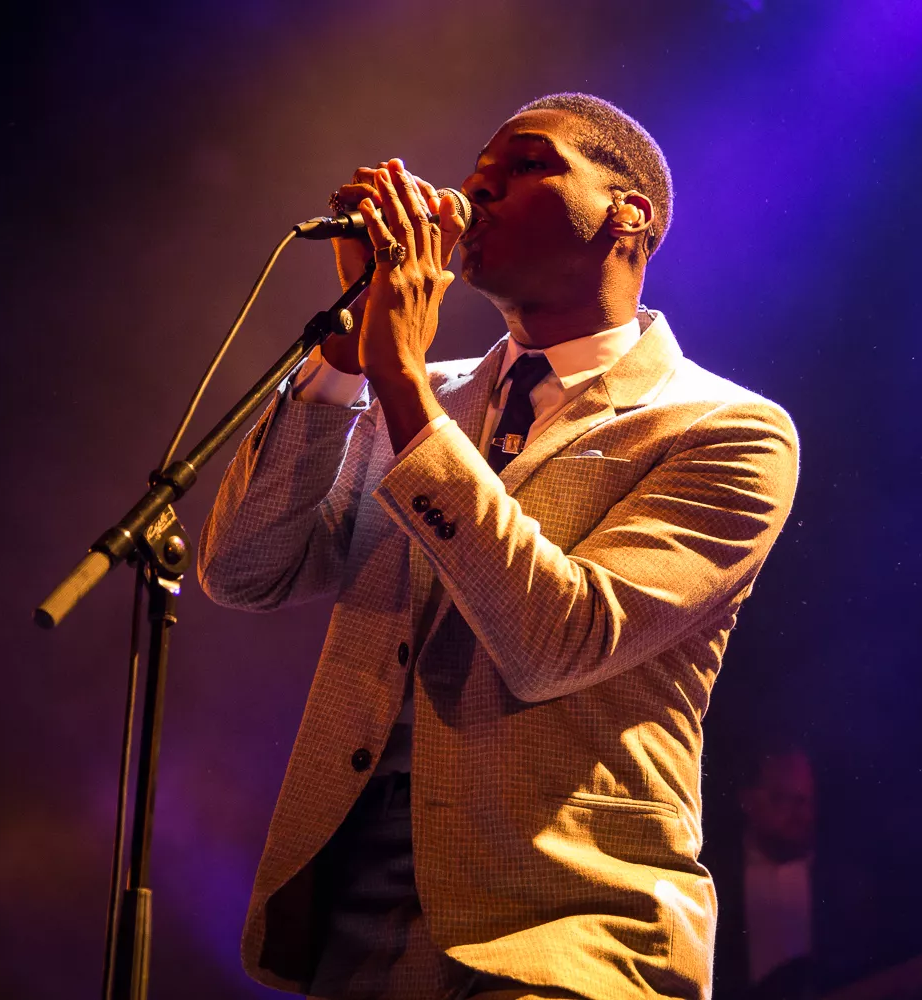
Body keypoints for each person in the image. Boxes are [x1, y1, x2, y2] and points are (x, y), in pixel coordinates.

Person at [198, 91, 800, 999]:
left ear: (626, 214)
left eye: (525, 165)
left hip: (569, 917)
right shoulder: (415, 398)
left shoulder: (726, 429)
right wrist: (350, 359)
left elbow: (559, 640)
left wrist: (399, 379)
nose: (475, 188)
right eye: (476, 172)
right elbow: (243, 572)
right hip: (353, 904)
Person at [707, 748, 819, 1000]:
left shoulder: (840, 880)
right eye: (780, 798)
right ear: (747, 801)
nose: (798, 813)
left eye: (805, 799)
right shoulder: (716, 877)